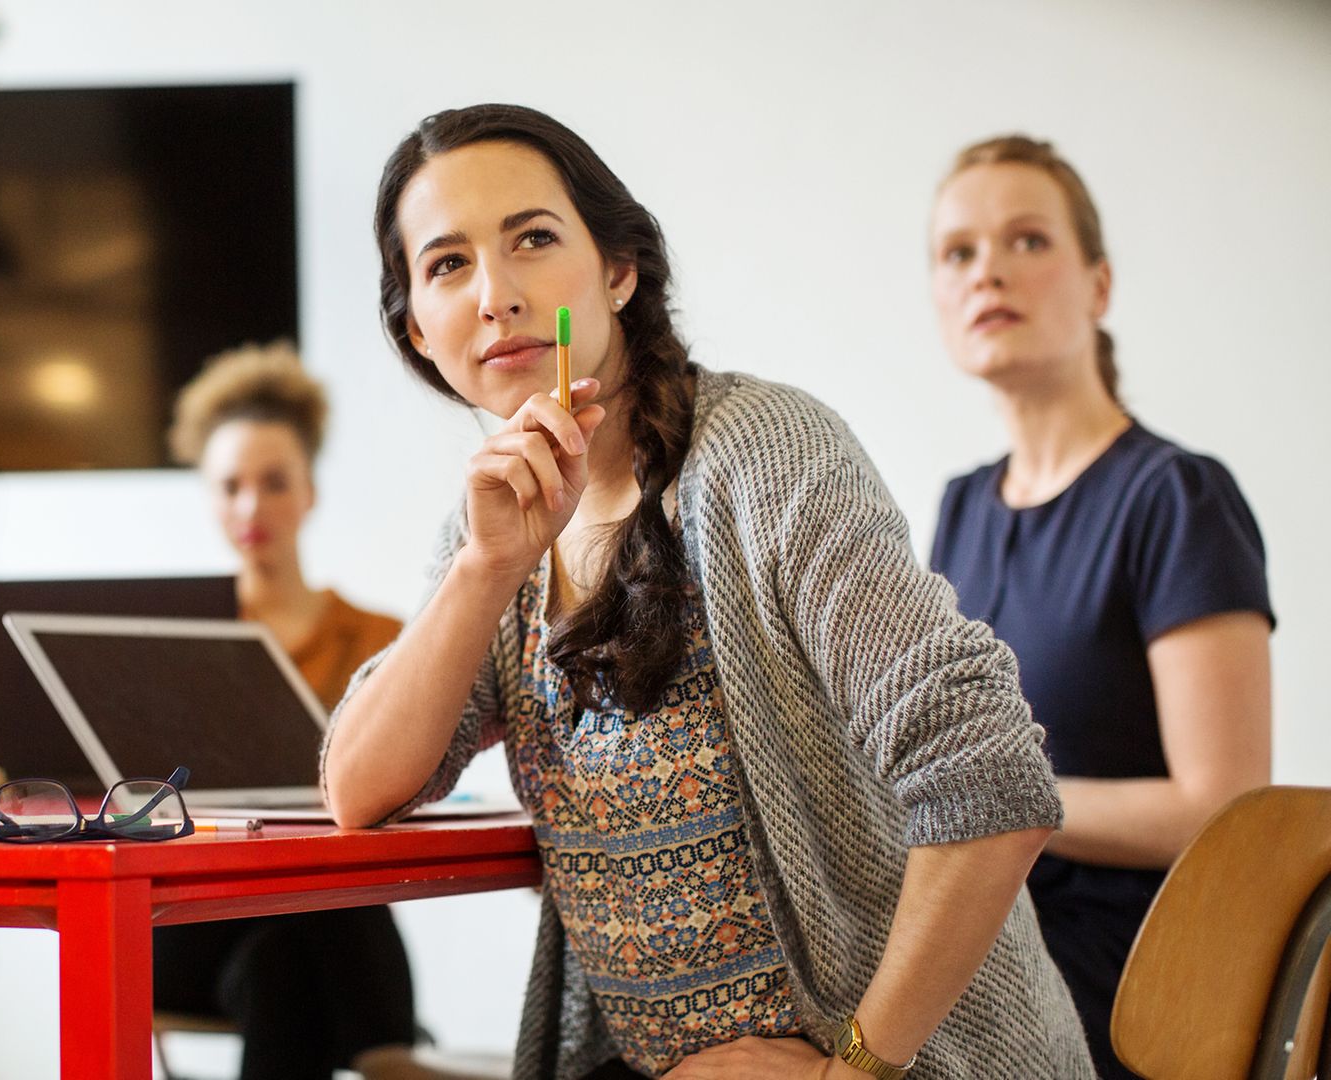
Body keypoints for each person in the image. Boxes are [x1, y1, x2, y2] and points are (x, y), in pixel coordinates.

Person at [323, 103, 1096, 1080]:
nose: (495, 295)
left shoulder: (763, 455)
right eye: (447, 265)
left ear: (618, 270)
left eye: (533, 240)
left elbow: (989, 772)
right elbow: (359, 788)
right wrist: (483, 570)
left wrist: (855, 1069)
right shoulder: (492, 530)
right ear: (417, 332)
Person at [925, 134, 1273, 1079]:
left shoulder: (1176, 498)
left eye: (1028, 240)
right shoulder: (962, 507)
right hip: (989, 937)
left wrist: (999, 799)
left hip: (1130, 978)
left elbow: (1224, 809)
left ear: (1099, 285)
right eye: (958, 252)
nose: (988, 270)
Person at [153, 341, 452, 1080]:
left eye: (274, 482)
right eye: (229, 486)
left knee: (284, 958)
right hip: (190, 915)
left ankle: (384, 1040)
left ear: (311, 490)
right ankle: (388, 1043)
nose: (250, 506)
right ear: (208, 496)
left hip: (302, 921)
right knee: (309, 933)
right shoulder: (169, 641)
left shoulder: (381, 641)